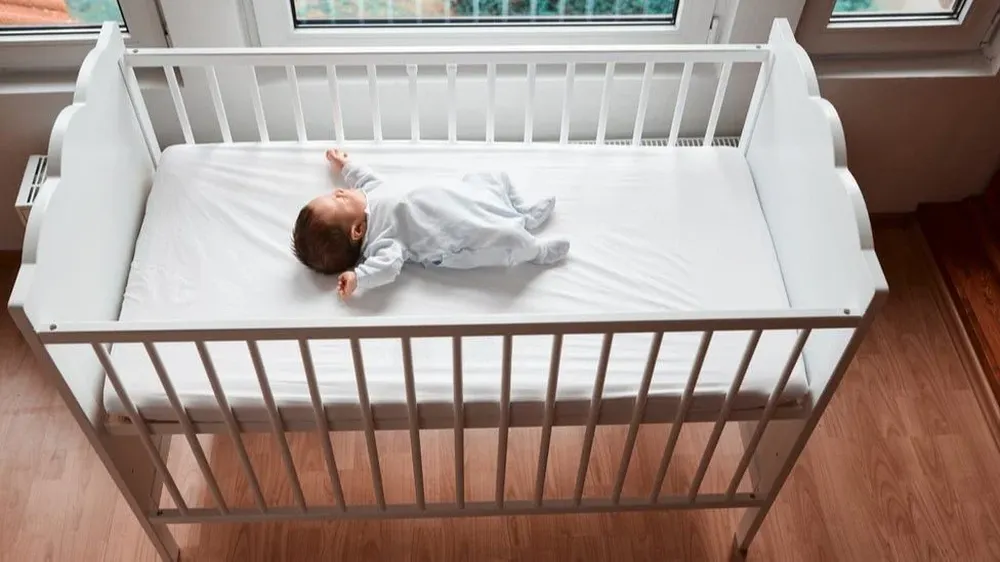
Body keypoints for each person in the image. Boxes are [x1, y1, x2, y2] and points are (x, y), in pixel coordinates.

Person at [292, 149, 570, 299]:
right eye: (338, 200)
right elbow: (387, 268)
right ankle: (537, 251)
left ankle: (524, 213)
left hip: (457, 196)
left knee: (493, 177)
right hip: (456, 233)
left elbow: (364, 178)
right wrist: (359, 277)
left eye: (334, 193)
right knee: (506, 238)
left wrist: (347, 166)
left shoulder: (370, 192)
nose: (339, 191)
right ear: (357, 230)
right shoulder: (382, 240)